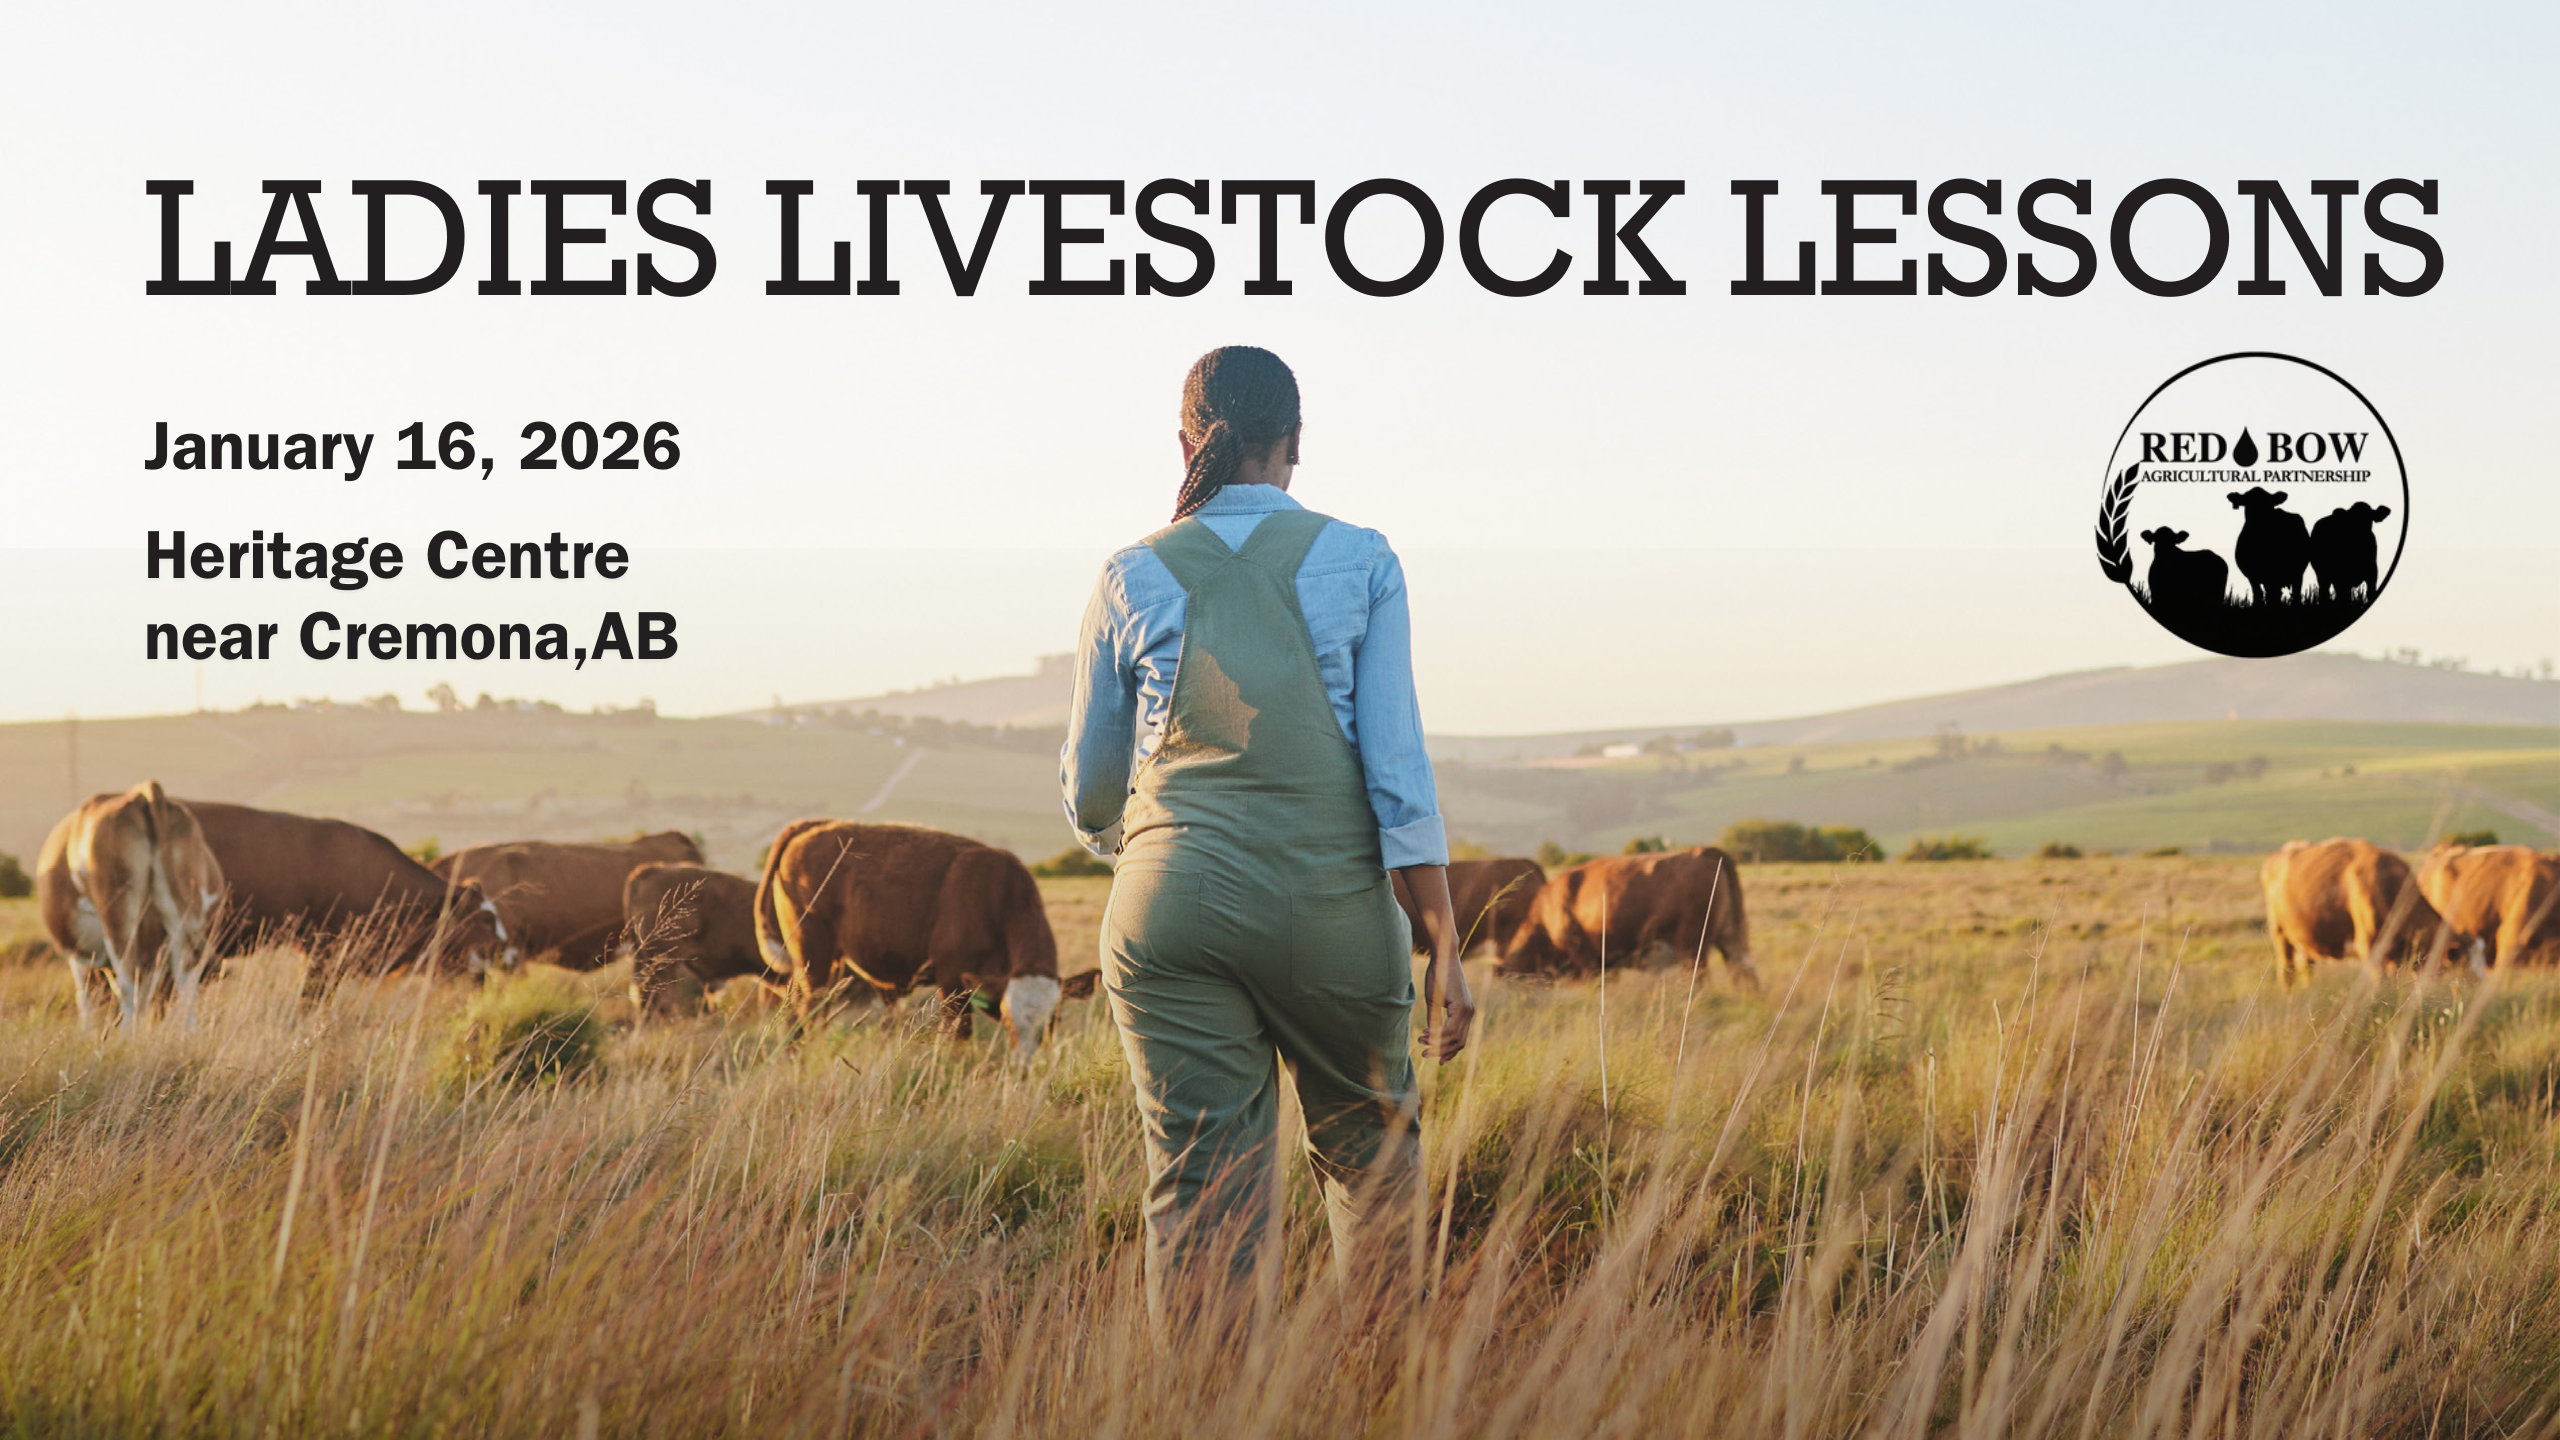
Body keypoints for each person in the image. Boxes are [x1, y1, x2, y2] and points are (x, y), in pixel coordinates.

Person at [1060, 345, 1476, 1323]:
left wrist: (1148, 848)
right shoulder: (1361, 559)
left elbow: (1089, 790)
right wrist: (1445, 944)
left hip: (1169, 911)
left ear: (1184, 440)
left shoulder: (1130, 574)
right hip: (1331, 908)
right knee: (1372, 1172)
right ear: (1295, 441)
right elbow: (1397, 775)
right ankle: (1380, 1400)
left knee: (1202, 1197)